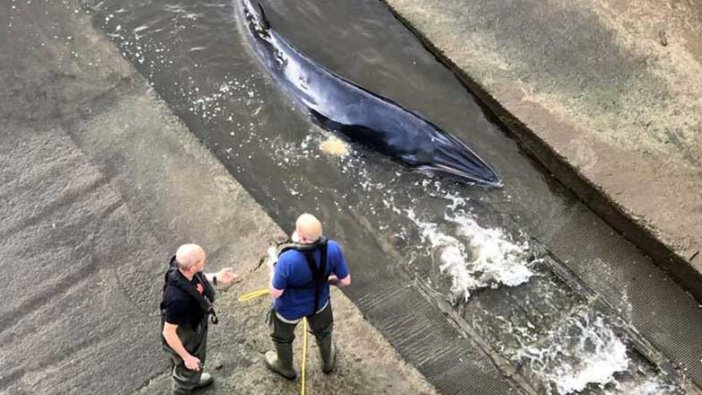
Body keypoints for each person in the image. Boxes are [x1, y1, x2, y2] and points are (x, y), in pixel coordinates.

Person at [265, 213, 351, 379]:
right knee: (324, 332)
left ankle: (285, 367)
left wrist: (271, 271)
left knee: (282, 338)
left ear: (302, 237)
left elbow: (276, 292)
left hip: (289, 309)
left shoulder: (287, 259)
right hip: (320, 304)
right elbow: (345, 281)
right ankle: (327, 361)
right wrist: (328, 280)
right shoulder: (332, 248)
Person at [161, 244, 240, 394]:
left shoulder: (182, 269)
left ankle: (192, 379)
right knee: (188, 368)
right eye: (201, 260)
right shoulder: (177, 300)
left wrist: (217, 277)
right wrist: (187, 357)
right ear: (191, 267)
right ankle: (185, 384)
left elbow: (196, 280)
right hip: (185, 333)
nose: (205, 260)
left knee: (188, 366)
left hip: (193, 322)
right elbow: (168, 332)